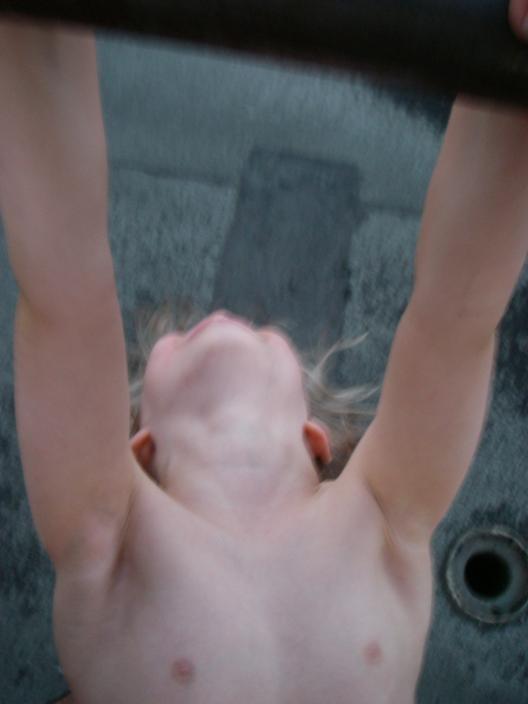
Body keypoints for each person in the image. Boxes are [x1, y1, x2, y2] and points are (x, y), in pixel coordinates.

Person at [1, 2, 528, 702]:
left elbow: (457, 316)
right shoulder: (113, 532)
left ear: (314, 441)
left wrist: (514, 79)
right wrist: (32, 27)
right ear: (141, 450)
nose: (224, 317)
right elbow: (67, 295)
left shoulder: (379, 509)